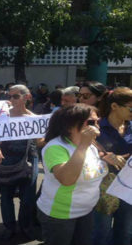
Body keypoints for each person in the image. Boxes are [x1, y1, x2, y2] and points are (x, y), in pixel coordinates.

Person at [37, 104, 113, 245]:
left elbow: (88, 169)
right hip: (60, 214)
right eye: (91, 122)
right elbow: (67, 179)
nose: (97, 126)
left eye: (98, 122)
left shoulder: (92, 145)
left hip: (86, 211)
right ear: (70, 125)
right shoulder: (55, 147)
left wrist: (104, 159)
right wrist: (83, 145)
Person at [0, 85, 38, 241]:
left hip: (29, 159)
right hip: (6, 158)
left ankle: (25, 226)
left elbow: (41, 141)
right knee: (6, 196)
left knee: (28, 197)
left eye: (15, 96)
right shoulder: (1, 116)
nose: (11, 99)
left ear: (27, 97)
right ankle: (9, 227)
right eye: (9, 96)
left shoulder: (34, 118)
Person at [93, 87, 132, 245]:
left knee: (125, 233)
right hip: (102, 188)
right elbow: (81, 151)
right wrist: (104, 156)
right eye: (130, 108)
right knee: (100, 233)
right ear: (114, 106)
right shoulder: (96, 128)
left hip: (128, 188)